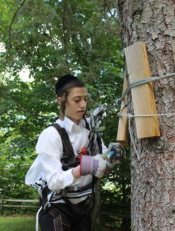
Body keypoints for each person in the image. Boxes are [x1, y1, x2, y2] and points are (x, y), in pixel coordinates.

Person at [25, 74, 110, 231]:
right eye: (77, 100)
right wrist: (83, 168)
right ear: (61, 100)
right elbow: (54, 182)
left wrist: (112, 157)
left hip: (83, 211)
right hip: (57, 212)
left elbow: (102, 166)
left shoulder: (91, 130)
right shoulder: (51, 135)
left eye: (85, 99)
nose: (83, 105)